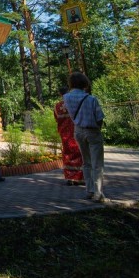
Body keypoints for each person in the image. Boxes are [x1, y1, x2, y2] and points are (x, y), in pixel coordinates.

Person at [64, 72, 105, 202]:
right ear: (84, 83)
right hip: (92, 131)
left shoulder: (66, 98)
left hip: (78, 131)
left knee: (86, 162)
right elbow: (99, 118)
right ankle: (98, 193)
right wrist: (97, 129)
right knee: (97, 163)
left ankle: (89, 190)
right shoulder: (91, 99)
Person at [53, 86, 84, 186]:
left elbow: (57, 119)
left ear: (60, 94)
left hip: (64, 134)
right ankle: (80, 178)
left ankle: (70, 178)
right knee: (79, 154)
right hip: (76, 132)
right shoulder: (75, 104)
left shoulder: (57, 106)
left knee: (67, 154)